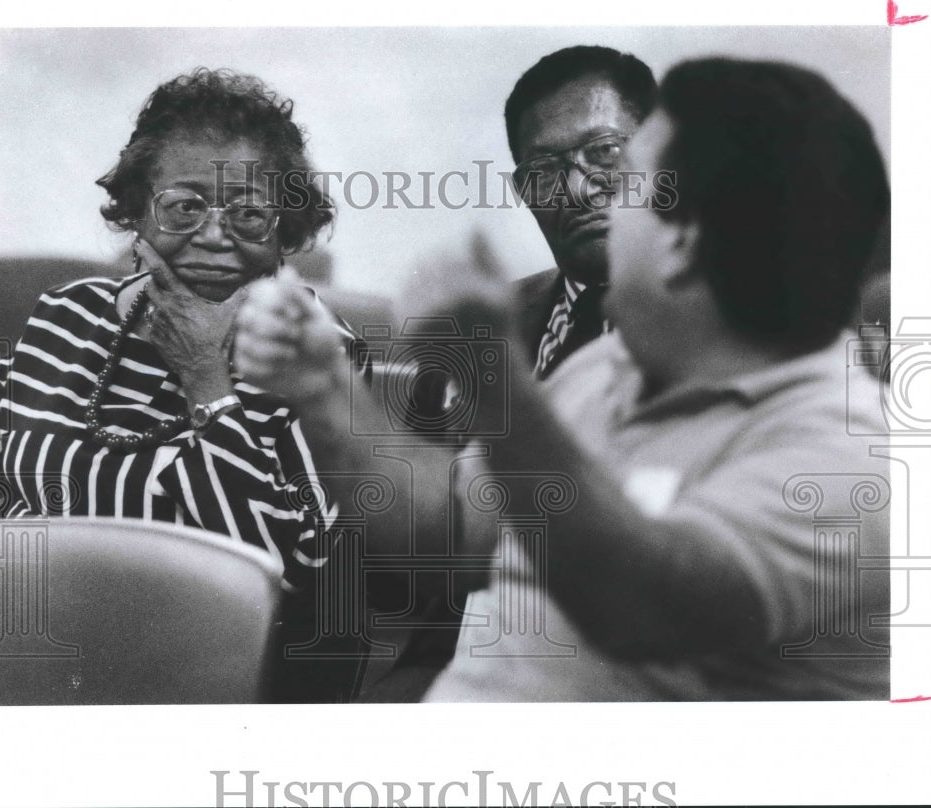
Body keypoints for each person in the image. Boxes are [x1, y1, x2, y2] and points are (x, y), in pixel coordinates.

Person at [235, 56, 891, 701]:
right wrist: (322, 388)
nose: (580, 194)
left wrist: (497, 382)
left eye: (622, 172)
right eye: (547, 174)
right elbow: (443, 536)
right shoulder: (604, 371)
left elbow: (646, 611)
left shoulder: (852, 457)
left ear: (681, 239)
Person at [0, 70, 353, 690]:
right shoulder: (68, 316)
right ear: (137, 213)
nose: (212, 235)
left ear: (284, 228)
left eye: (249, 213)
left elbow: (287, 572)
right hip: (15, 649)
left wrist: (204, 374)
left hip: (191, 675)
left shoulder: (313, 355)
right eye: (184, 206)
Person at [506, 45, 657, 378]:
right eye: (543, 170)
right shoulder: (486, 323)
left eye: (605, 150)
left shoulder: (744, 321)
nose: (576, 189)